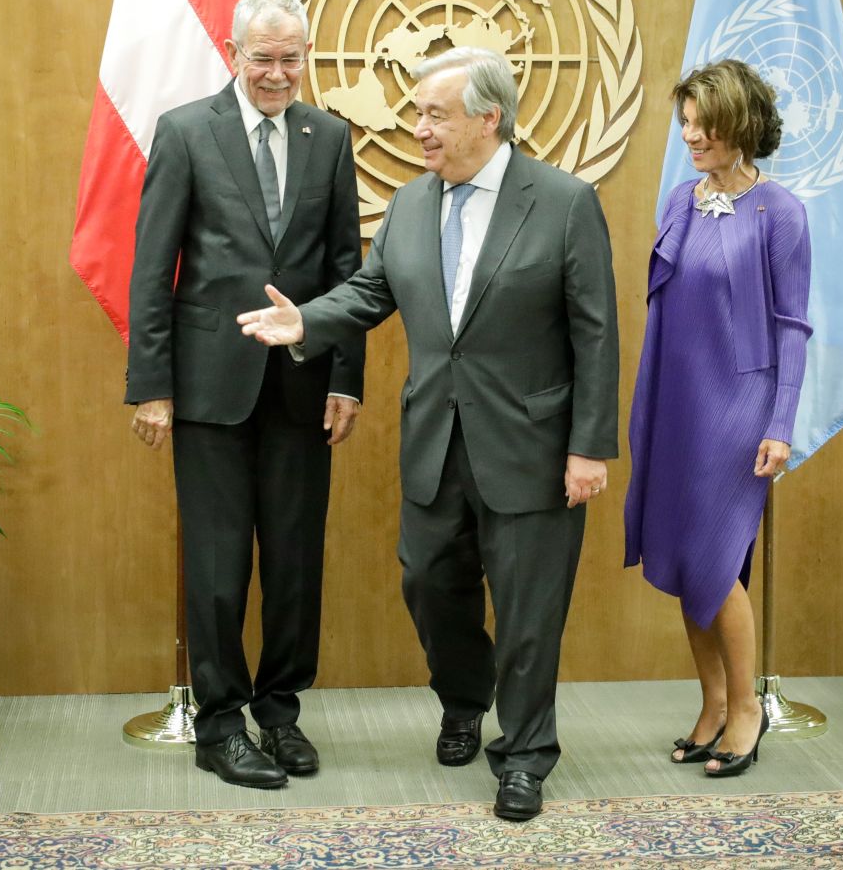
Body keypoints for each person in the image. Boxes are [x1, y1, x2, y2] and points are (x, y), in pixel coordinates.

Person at [237, 46, 618, 822]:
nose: (419, 128)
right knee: (428, 583)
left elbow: (597, 334)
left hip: (532, 446)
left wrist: (589, 447)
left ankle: (525, 755)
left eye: (435, 114)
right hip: (435, 442)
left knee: (529, 611)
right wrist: (306, 320)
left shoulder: (564, 201)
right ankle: (465, 697)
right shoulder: (411, 203)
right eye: (418, 113)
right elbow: (371, 289)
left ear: (488, 118)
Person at [125, 0, 364, 790]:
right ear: (233, 54)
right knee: (219, 566)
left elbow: (346, 271)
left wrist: (347, 378)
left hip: (302, 387)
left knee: (294, 564)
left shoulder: (331, 136)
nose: (277, 73)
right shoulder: (186, 131)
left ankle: (280, 712)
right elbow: (152, 269)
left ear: (306, 56)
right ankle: (221, 724)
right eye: (263, 57)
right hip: (209, 390)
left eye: (291, 58)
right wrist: (152, 386)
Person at [623, 58, 812, 779]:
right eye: (686, 123)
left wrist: (781, 423)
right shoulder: (680, 200)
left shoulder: (781, 212)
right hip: (673, 399)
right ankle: (712, 705)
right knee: (679, 556)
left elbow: (792, 326)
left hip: (739, 409)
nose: (691, 136)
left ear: (742, 124)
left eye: (705, 124)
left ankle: (747, 709)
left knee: (714, 560)